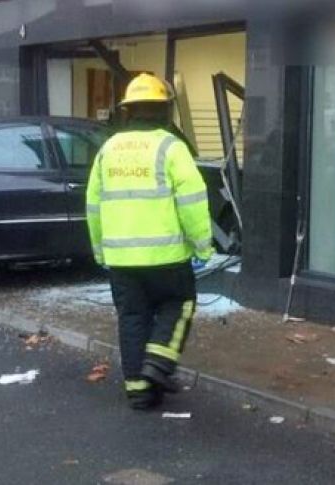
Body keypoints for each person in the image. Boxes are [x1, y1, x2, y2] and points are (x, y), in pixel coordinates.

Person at [86, 73, 214, 410]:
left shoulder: (107, 150)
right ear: (165, 111)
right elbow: (193, 201)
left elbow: (93, 204)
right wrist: (203, 245)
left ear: (129, 111)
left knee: (132, 318)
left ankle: (139, 391)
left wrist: (100, 250)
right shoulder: (172, 147)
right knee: (180, 304)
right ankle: (159, 362)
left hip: (121, 261)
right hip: (167, 256)